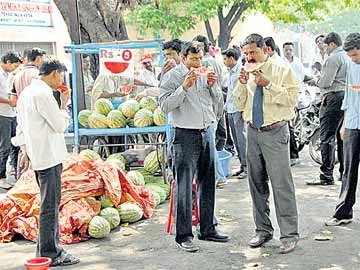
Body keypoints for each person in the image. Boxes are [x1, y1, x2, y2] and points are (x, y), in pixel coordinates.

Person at [159, 43, 230, 253]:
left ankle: (207, 228)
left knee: (208, 182)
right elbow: (164, 106)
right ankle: (183, 235)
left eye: (199, 59)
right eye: (193, 59)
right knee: (183, 185)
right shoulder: (172, 77)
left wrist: (213, 86)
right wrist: (185, 87)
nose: (197, 63)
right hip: (184, 134)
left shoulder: (207, 71)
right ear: (183, 57)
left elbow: (218, 101)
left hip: (206, 131)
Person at [233, 33, 299, 254]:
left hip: (276, 132)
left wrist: (268, 84)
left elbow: (292, 99)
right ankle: (263, 230)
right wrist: (242, 85)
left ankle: (289, 235)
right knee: (256, 184)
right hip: (253, 132)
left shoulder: (281, 69)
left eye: (253, 52)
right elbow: (238, 103)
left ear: (265, 50)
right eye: (246, 53)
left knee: (281, 185)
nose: (249, 57)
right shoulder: (245, 72)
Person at [13, 56, 80, 267]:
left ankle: (44, 249)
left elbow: (21, 126)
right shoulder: (43, 94)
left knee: (47, 204)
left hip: (38, 155)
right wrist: (65, 105)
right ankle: (52, 252)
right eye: (61, 75)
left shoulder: (26, 94)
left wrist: (25, 151)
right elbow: (59, 125)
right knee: (50, 205)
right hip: (49, 156)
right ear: (55, 74)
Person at [324, 33, 360, 226]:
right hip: (354, 124)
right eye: (351, 56)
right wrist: (345, 124)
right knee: (348, 170)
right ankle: (343, 212)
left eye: (356, 55)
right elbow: (349, 97)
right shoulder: (351, 67)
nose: (354, 59)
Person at [306, 32, 347, 185]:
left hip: (333, 97)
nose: (325, 49)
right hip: (345, 96)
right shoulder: (347, 57)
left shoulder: (333, 58)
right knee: (341, 137)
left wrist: (315, 80)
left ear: (331, 44)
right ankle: (344, 172)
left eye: (326, 46)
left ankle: (326, 175)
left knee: (327, 137)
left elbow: (325, 82)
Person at [221, 48, 247, 179]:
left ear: (232, 58)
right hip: (231, 109)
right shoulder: (231, 72)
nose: (224, 61)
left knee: (242, 139)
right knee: (236, 139)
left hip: (238, 109)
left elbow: (242, 92)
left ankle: (247, 167)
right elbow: (231, 92)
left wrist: (243, 109)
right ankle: (243, 165)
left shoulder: (241, 71)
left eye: (225, 59)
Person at [0, 51, 22, 189]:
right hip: (2, 114)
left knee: (16, 144)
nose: (15, 68)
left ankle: (16, 173)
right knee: (5, 146)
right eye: (14, 65)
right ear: (7, 62)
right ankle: (1, 176)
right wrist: (10, 101)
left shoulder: (8, 75)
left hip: (12, 114)